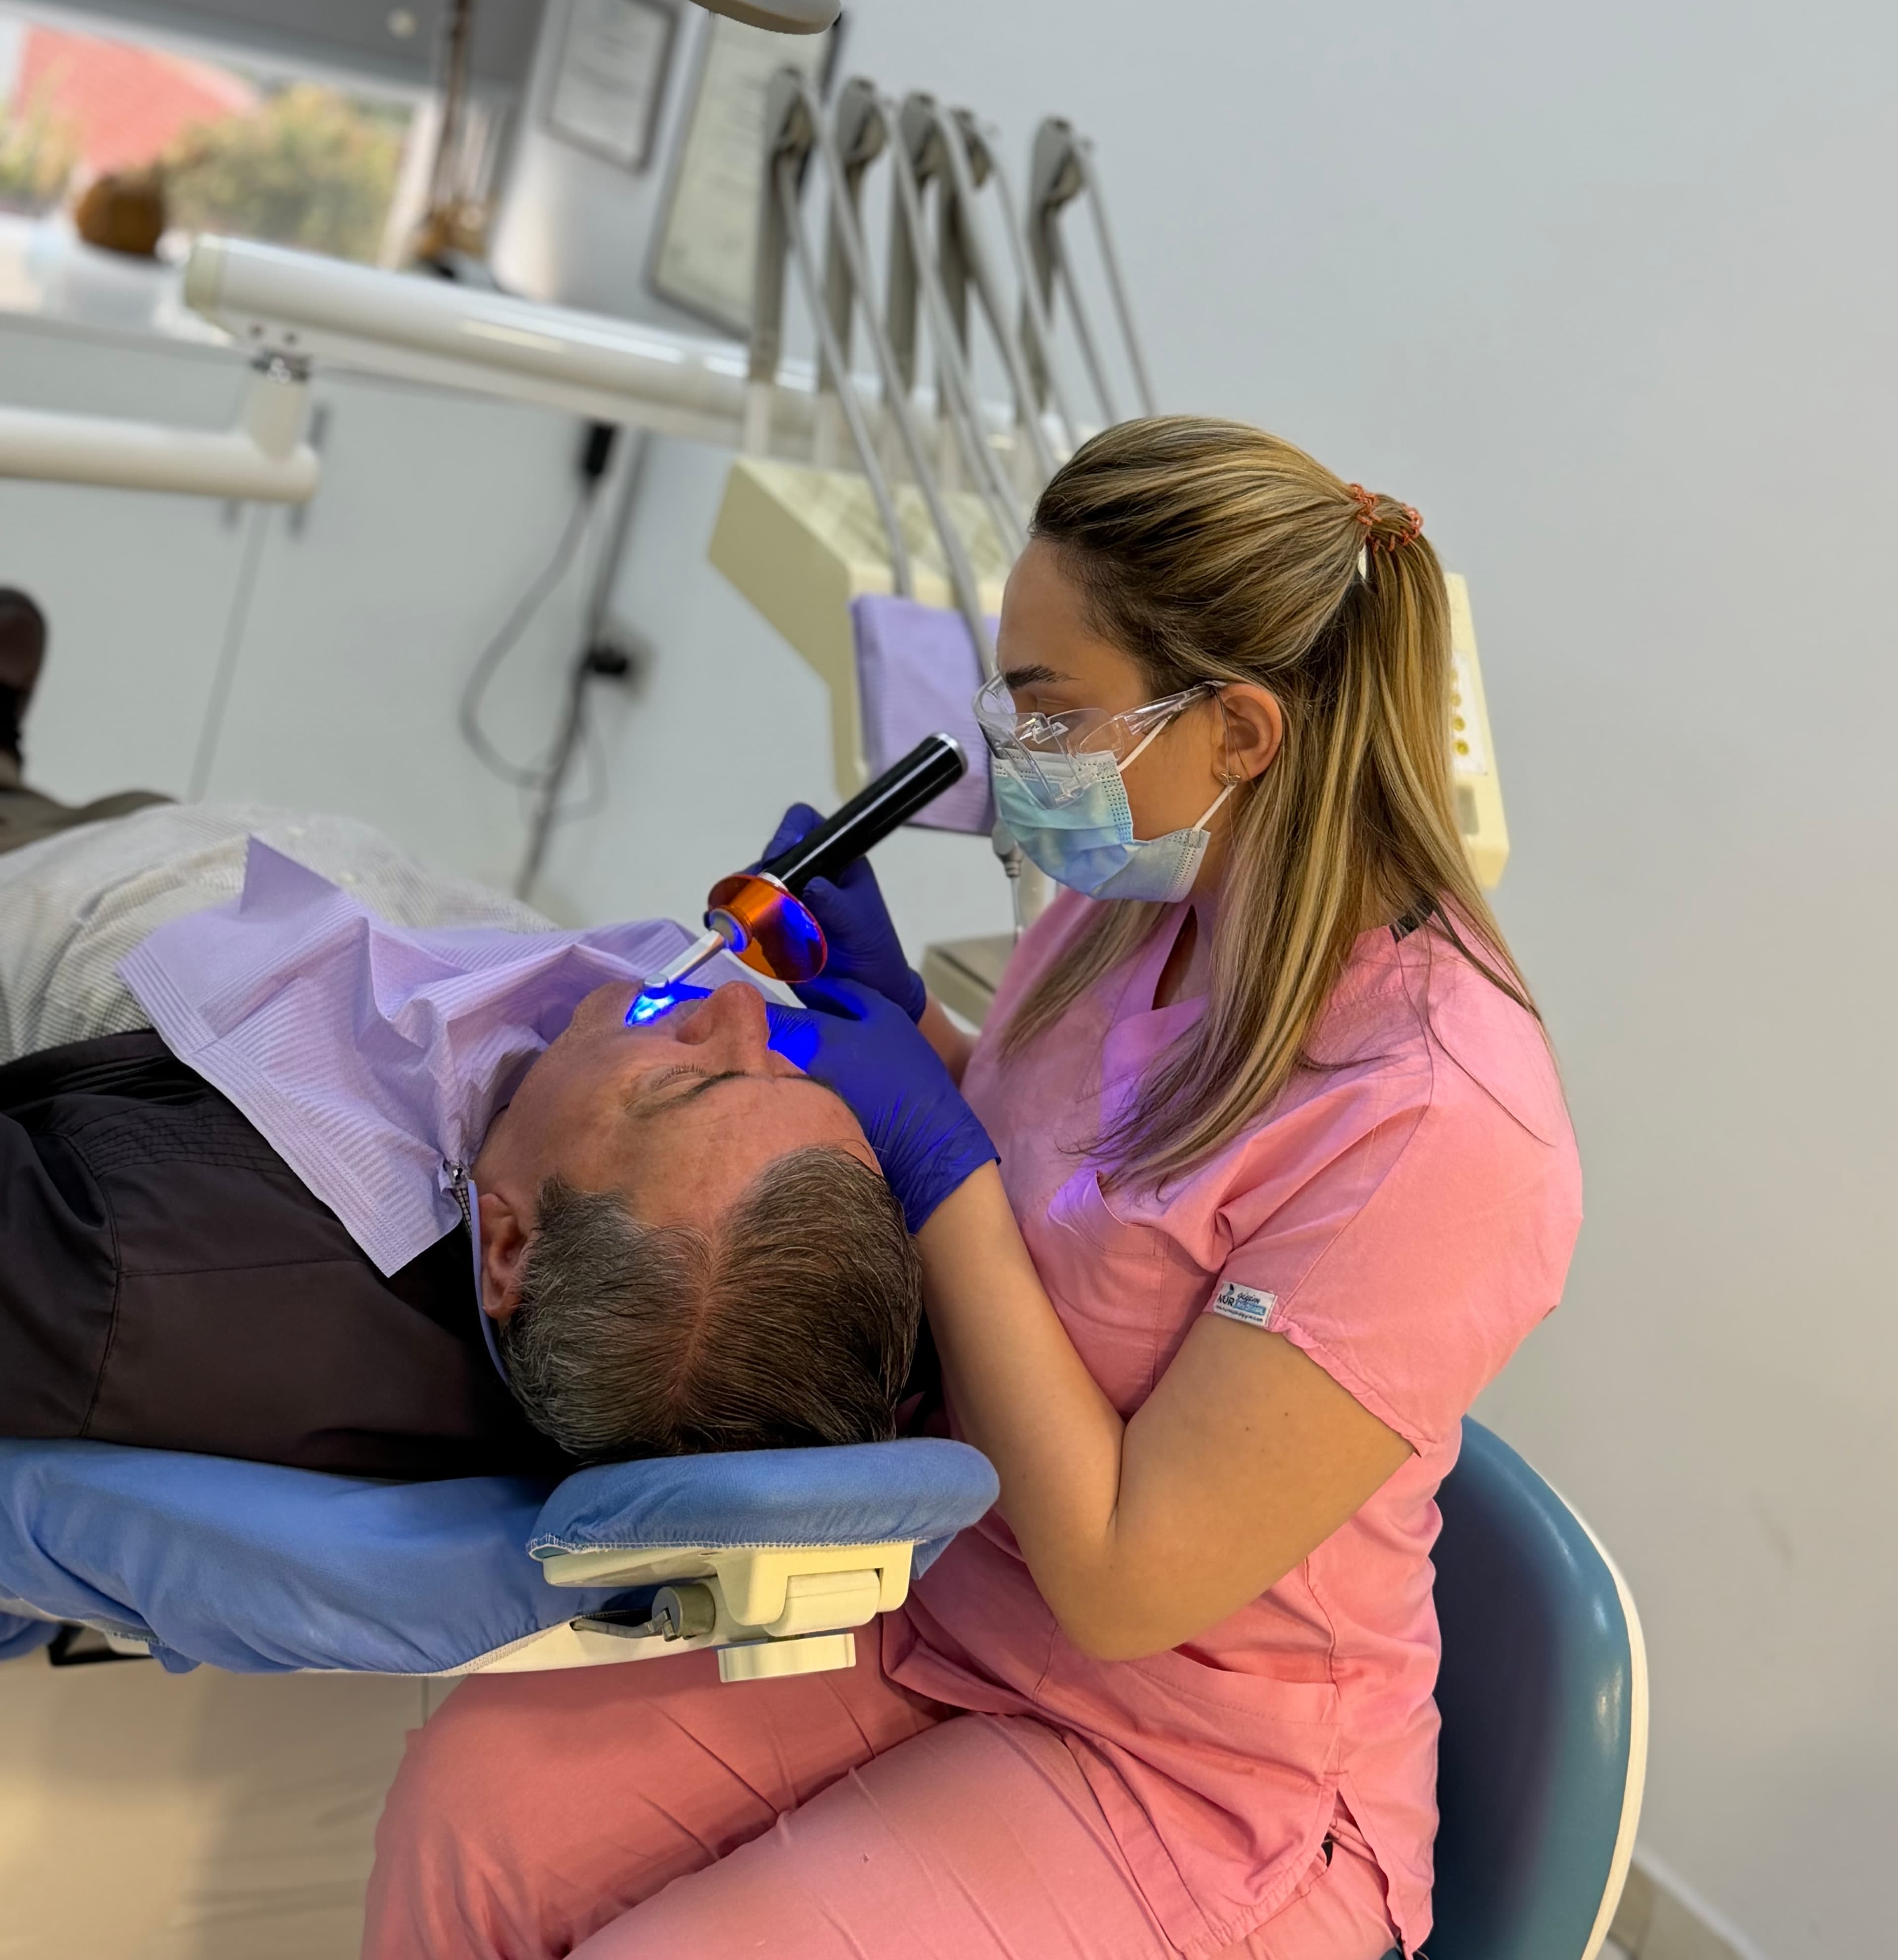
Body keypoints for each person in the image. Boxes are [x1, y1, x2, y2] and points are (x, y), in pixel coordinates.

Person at [363, 417, 1583, 1960]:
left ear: (1244, 735)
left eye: (1048, 706)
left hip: (1199, 1785)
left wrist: (935, 1163)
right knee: (476, 1805)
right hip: (947, 1604)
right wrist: (915, 1031)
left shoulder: (1443, 1129)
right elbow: (1071, 1184)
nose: (1012, 748)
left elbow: (1132, 1582)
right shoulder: (1130, 905)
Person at [0, 590, 920, 1479]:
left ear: (510, 1247)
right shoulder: (667, 1285)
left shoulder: (125, 1279)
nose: (741, 1011)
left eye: (683, 1082)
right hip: (220, 861)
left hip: (50, 895)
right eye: (794, 1075)